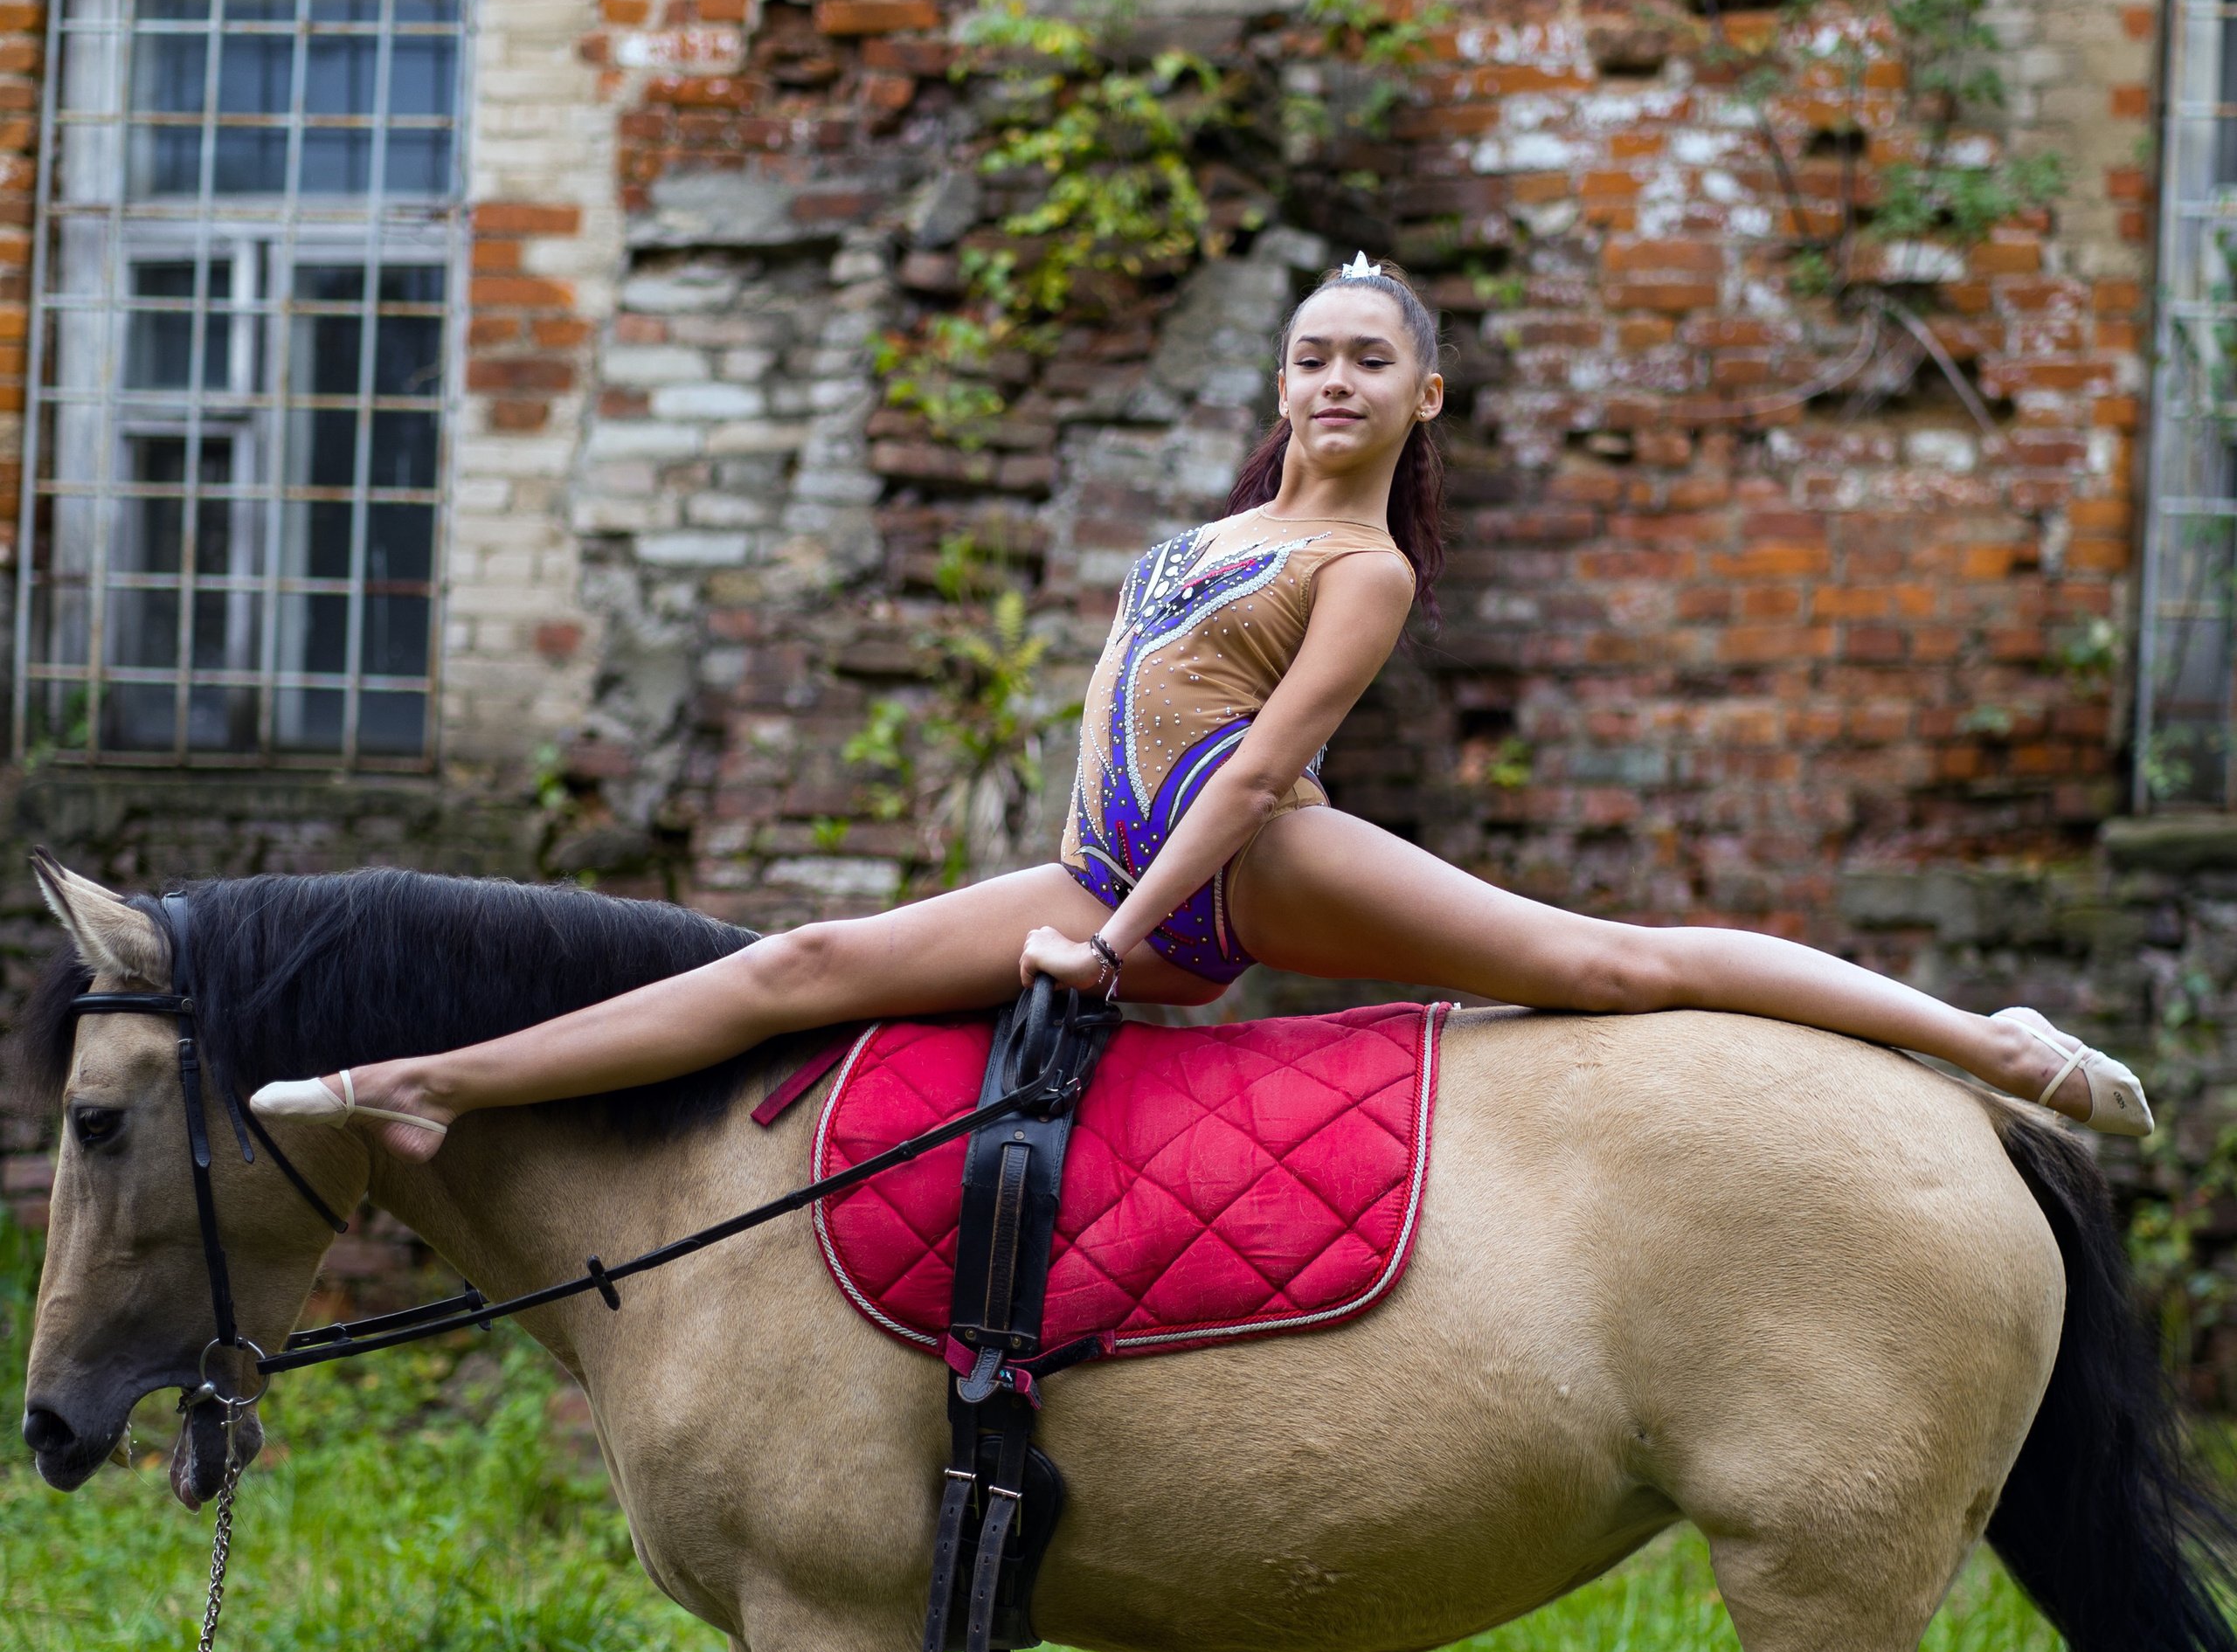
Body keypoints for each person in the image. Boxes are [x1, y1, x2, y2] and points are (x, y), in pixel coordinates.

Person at [253, 255, 2150, 1158]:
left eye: (1368, 361)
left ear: (1422, 400)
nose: (1330, 378)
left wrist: (1116, 945)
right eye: (1309, 352)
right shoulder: (1206, 530)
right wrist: (1076, 896)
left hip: (1233, 884)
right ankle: (423, 1088)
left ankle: (1992, 1044)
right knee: (797, 957)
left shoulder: (1365, 571)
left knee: (1610, 965)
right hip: (1098, 874)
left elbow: (1253, 772)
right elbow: (1118, 739)